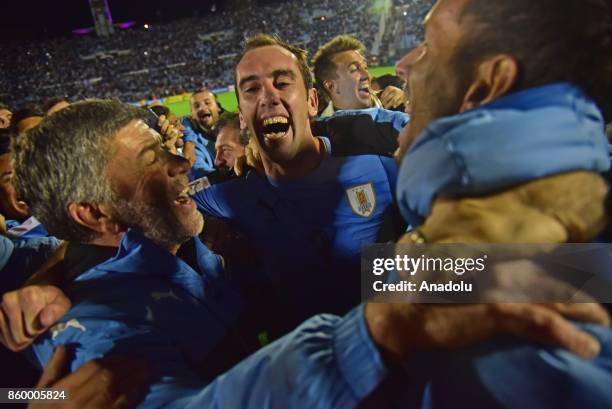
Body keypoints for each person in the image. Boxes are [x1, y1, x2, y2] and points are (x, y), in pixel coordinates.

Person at [3, 101, 608, 409]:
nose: (183, 161)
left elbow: (357, 277)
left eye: (170, 146)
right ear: (95, 213)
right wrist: (372, 335)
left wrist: (567, 272)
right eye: (151, 161)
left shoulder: (198, 224)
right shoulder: (93, 339)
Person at [391, 0, 612, 406]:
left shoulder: (528, 334)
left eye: (426, 44)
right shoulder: (468, 224)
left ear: (487, 84)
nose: (403, 64)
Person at [312, 35, 406, 116]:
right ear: (331, 86)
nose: (367, 75)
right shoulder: (320, 131)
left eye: (365, 68)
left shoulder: (396, 105)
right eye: (354, 69)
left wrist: (408, 101)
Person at [181, 88, 224, 178]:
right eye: (196, 106)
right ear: (192, 114)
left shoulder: (236, 128)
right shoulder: (195, 146)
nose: (202, 108)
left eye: (207, 103)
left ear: (218, 107)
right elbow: (199, 171)